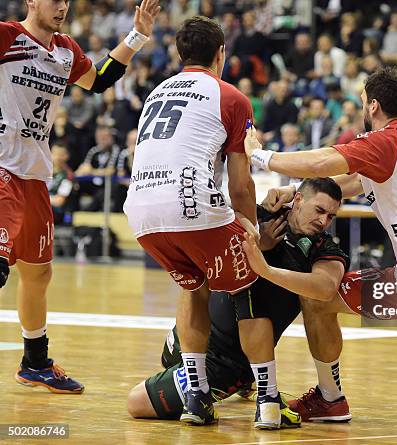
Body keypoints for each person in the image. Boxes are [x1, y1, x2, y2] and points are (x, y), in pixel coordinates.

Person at [244, 67, 397, 419]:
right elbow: (350, 182)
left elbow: (322, 162)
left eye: (361, 103)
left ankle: (330, 398)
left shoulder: (385, 141)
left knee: (319, 298)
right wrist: (297, 193)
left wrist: (260, 156)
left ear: (372, 105)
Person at [0, 0, 159, 394]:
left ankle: (35, 362)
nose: (62, 7)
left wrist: (138, 35)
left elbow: (101, 78)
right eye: (54, 0)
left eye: (67, 1)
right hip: (1, 168)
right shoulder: (6, 37)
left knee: (38, 272)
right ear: (31, 2)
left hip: (34, 174)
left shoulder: (65, 49)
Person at [123, 16, 259, 427]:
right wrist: (251, 230)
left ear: (180, 55)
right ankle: (266, 392)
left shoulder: (155, 92)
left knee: (194, 287)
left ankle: (196, 395)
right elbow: (240, 181)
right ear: (221, 54)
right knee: (251, 283)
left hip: (141, 210)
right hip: (190, 203)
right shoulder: (231, 96)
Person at [127, 178, 349, 427]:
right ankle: (248, 385)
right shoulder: (261, 215)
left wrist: (265, 270)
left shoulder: (324, 249)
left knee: (136, 403)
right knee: (169, 355)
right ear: (298, 200)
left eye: (331, 216)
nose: (323, 221)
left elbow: (326, 287)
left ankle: (257, 387)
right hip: (200, 333)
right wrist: (257, 241)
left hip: (226, 361)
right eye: (319, 210)